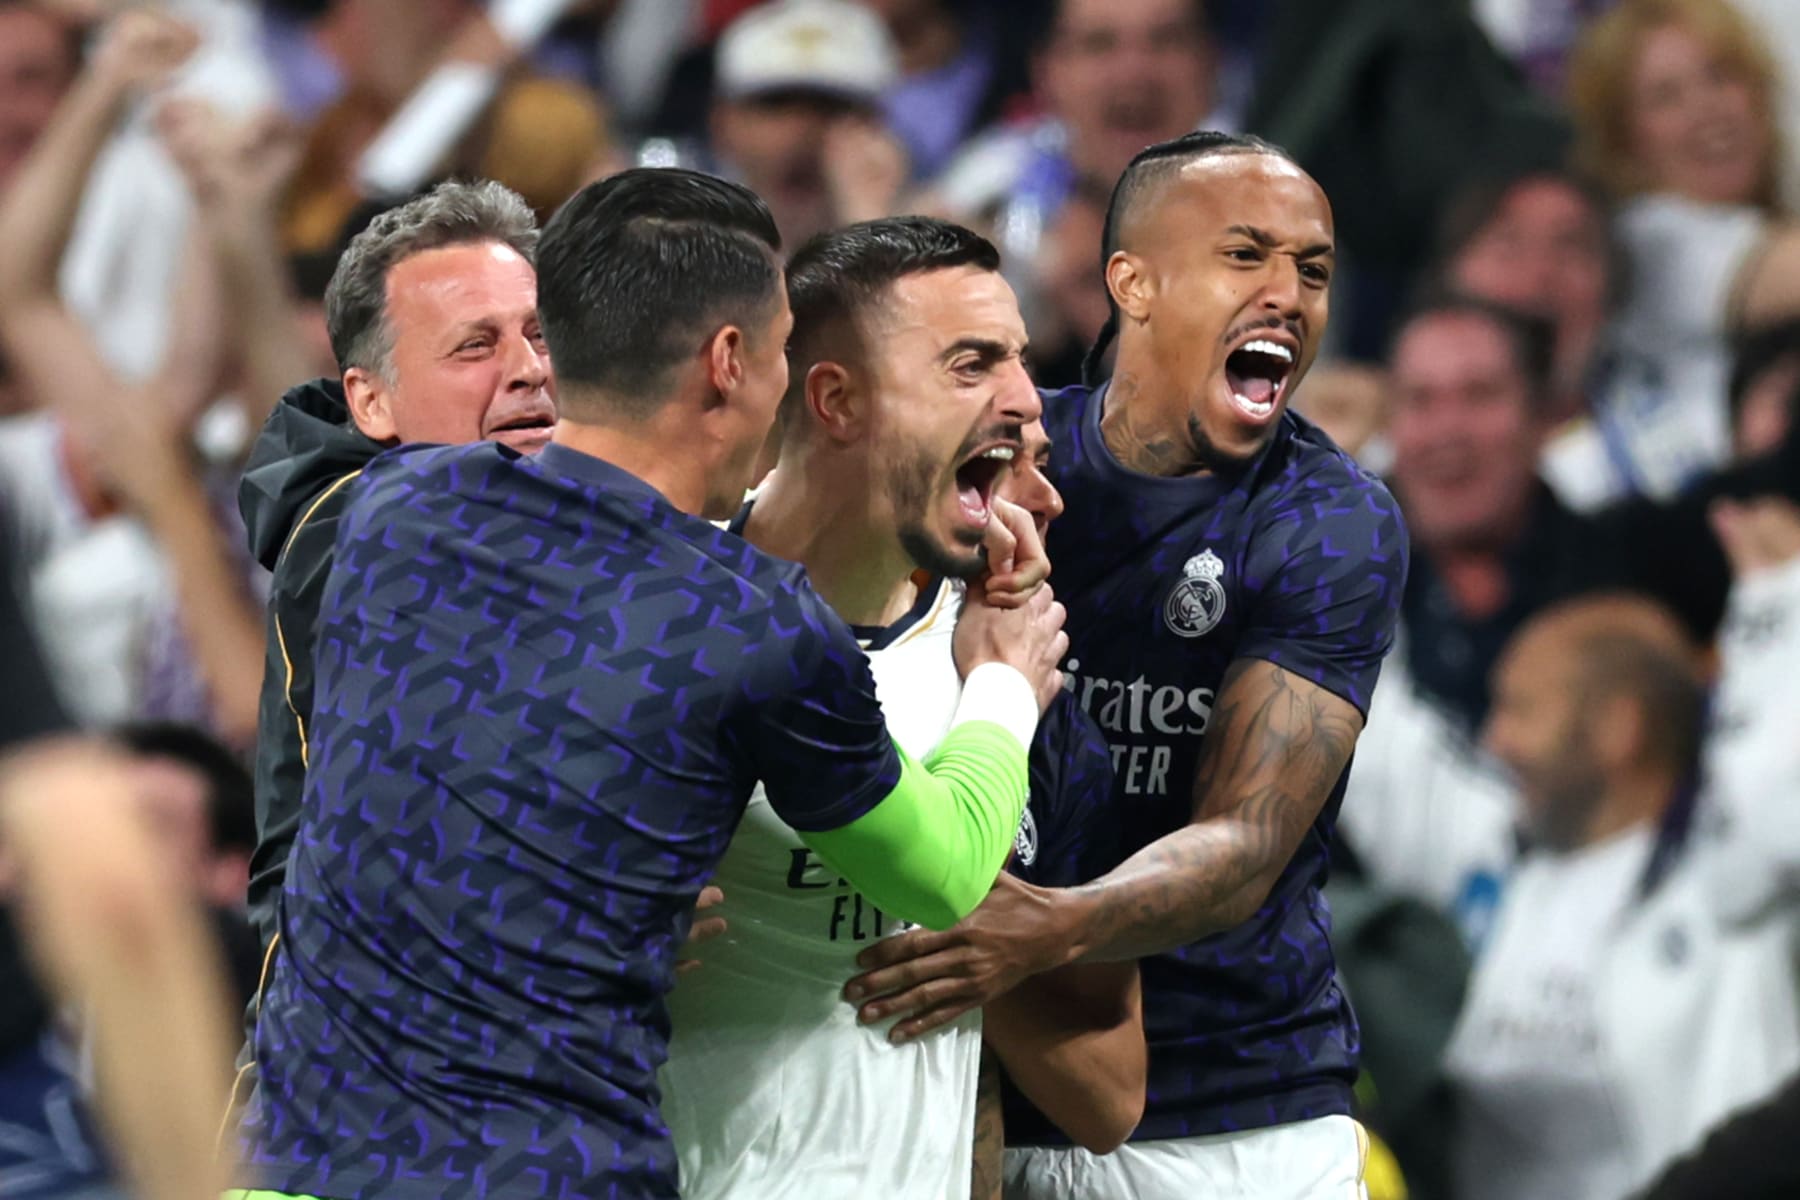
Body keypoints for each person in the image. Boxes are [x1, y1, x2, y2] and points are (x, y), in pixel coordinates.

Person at [230, 168, 1067, 1200]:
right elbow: (940, 873)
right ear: (728, 362)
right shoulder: (753, 623)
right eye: (778, 353)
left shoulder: (386, 506)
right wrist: (1004, 681)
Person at [847, 131, 1408, 1196]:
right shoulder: (1005, 472)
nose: (1288, 293)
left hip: (1233, 1125)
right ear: (1132, 281)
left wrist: (1046, 929)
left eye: (1314, 269)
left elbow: (1244, 841)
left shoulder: (1330, 523)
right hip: (993, 1101)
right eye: (1247, 256)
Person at [658, 216, 1143, 1200]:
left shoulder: (1021, 671)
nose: (1020, 395)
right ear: (837, 399)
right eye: (971, 364)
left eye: (1016, 359)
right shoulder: (657, 622)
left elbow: (1111, 1098)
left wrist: (993, 945)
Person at [235, 177, 555, 971]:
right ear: (372, 403)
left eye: (543, 334)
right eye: (475, 346)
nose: (527, 369)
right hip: (355, 1055)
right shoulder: (364, 535)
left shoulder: (590, 511)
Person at [1447, 588, 1800, 1200]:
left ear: (1618, 728)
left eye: (1520, 710)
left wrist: (1777, 591)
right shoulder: (1495, 860)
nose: (1492, 740)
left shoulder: (1736, 893)